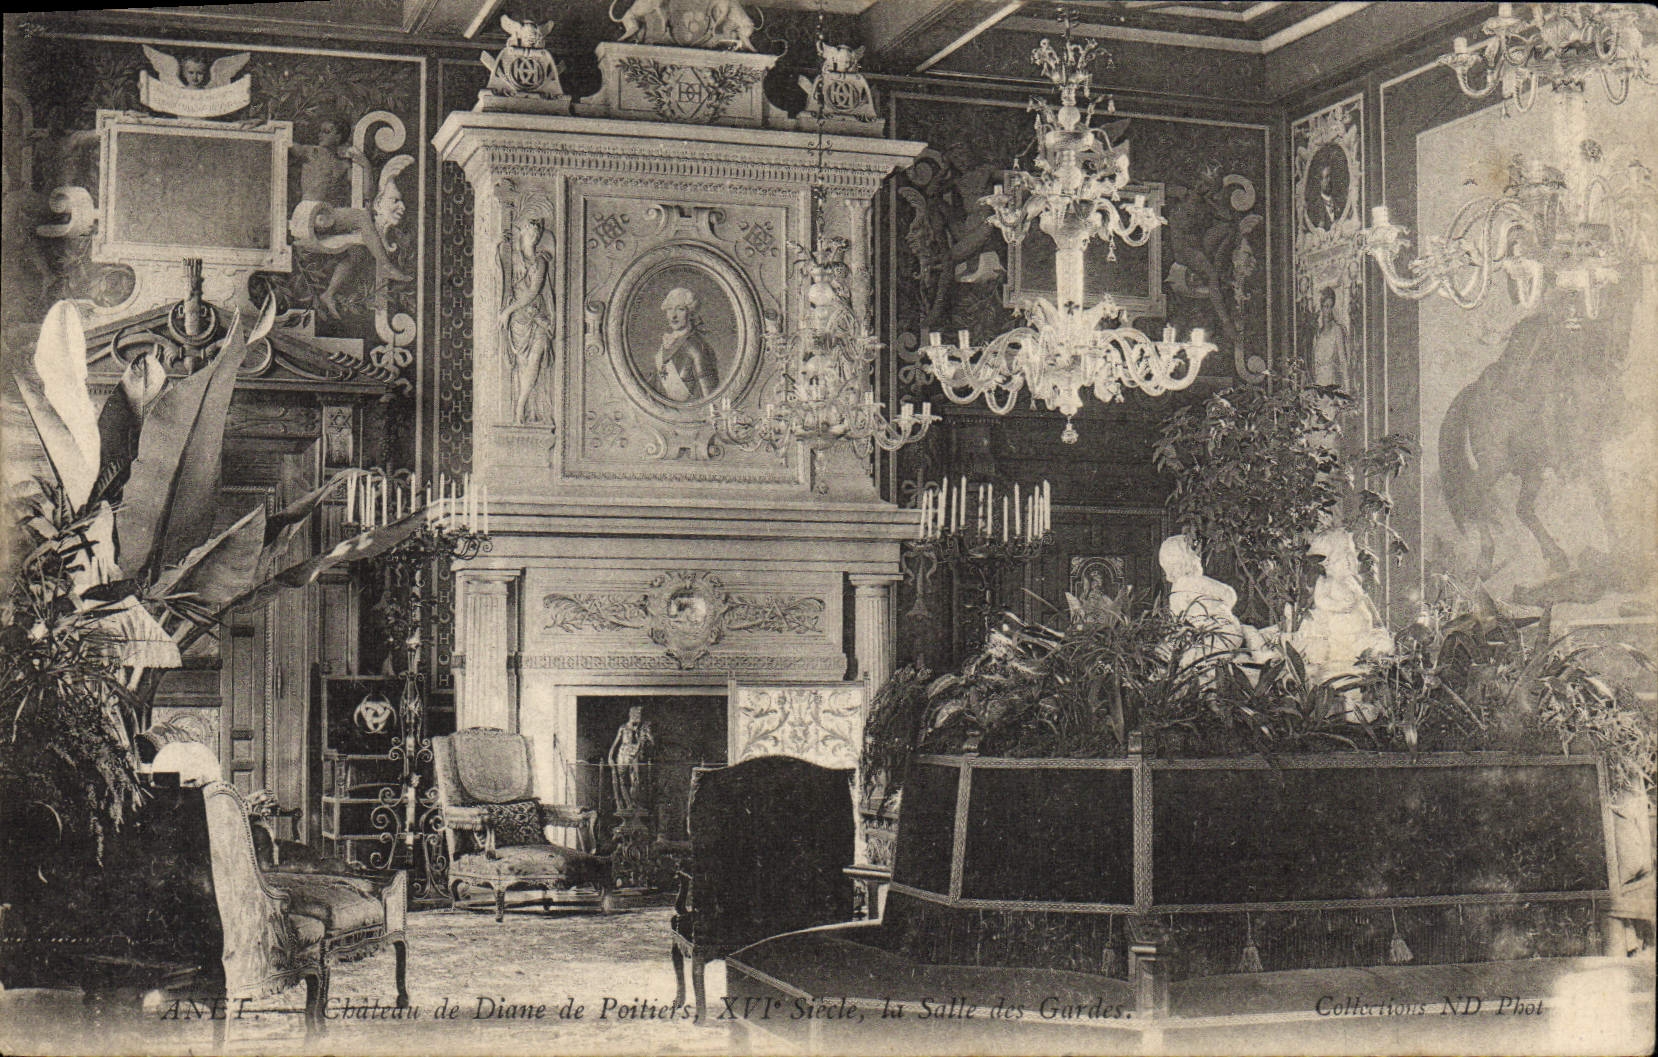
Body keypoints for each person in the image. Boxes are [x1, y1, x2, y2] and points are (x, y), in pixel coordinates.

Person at [288, 116, 412, 317]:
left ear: (339, 136)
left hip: (322, 218)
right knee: (361, 218)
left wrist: (365, 165)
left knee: (356, 252)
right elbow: (283, 143)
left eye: (327, 131)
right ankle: (386, 265)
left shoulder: (342, 165)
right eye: (321, 131)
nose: (320, 135)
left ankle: (329, 293)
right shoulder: (311, 152)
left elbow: (367, 194)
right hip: (307, 214)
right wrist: (262, 125)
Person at [498, 215, 556, 424]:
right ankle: (525, 408)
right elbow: (502, 278)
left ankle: (521, 405)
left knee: (536, 360)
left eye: (537, 232)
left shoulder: (541, 261)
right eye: (530, 231)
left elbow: (533, 291)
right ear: (521, 232)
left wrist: (507, 311)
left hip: (537, 316)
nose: (534, 235)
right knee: (522, 367)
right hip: (518, 321)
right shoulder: (511, 258)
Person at [654, 287, 719, 402]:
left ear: (691, 312)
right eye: (669, 309)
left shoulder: (697, 349)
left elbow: (711, 400)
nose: (673, 316)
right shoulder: (666, 345)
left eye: (680, 309)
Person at [608, 706, 654, 813]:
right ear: (632, 715)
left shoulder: (641, 729)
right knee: (623, 780)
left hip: (635, 756)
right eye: (637, 716)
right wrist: (610, 756)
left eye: (640, 716)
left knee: (635, 781)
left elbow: (652, 743)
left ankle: (634, 804)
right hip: (623, 755)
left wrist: (647, 734)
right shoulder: (623, 728)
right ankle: (627, 805)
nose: (638, 719)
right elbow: (616, 743)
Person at [1311, 286, 1353, 392]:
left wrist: (1347, 389)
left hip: (1332, 381)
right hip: (1319, 383)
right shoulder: (1317, 334)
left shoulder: (1337, 330)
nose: (1328, 310)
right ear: (1321, 307)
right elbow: (1314, 365)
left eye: (1330, 306)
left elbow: (1343, 361)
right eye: (1325, 306)